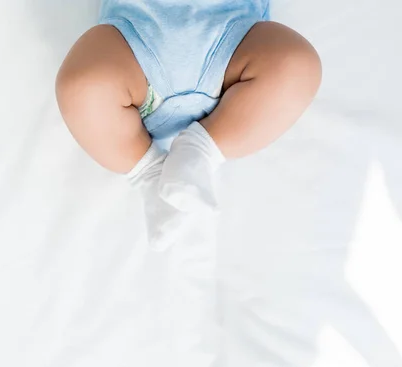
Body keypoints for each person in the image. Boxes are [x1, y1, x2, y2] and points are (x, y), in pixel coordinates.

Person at [55, 0, 322, 250]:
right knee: (83, 87)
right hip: (136, 45)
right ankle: (149, 172)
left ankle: (201, 149)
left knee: (295, 65)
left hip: (233, 48)